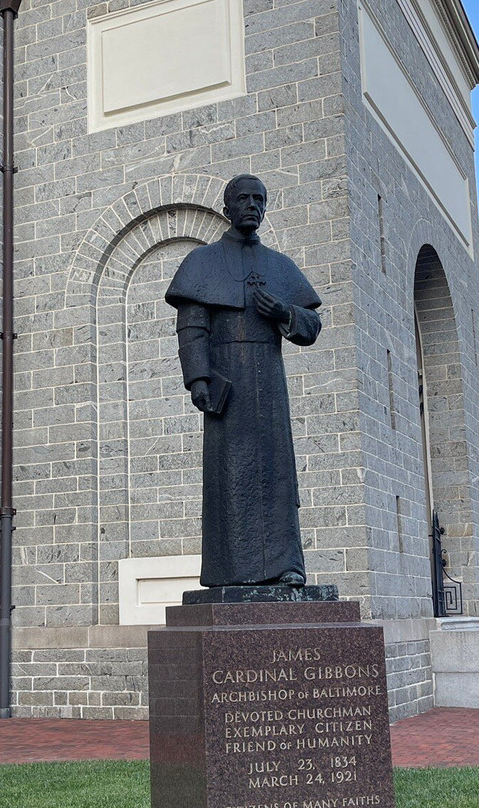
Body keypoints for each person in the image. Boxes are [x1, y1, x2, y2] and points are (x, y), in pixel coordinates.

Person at [165, 174, 322, 587]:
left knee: (276, 473)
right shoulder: (203, 263)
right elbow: (192, 326)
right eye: (243, 199)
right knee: (231, 478)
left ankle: (287, 566)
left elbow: (311, 326)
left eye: (259, 199)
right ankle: (231, 571)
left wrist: (285, 313)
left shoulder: (281, 267)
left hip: (269, 379)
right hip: (227, 383)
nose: (252, 205)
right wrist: (198, 378)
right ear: (227, 207)